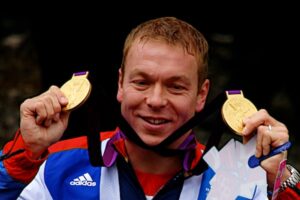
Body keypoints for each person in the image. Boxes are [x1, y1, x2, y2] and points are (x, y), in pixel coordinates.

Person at [0, 16, 299, 200]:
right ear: (120, 84)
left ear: (201, 95)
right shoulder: (57, 166)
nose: (155, 100)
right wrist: (24, 153)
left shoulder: (239, 181)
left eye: (176, 86)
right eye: (141, 82)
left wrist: (281, 182)